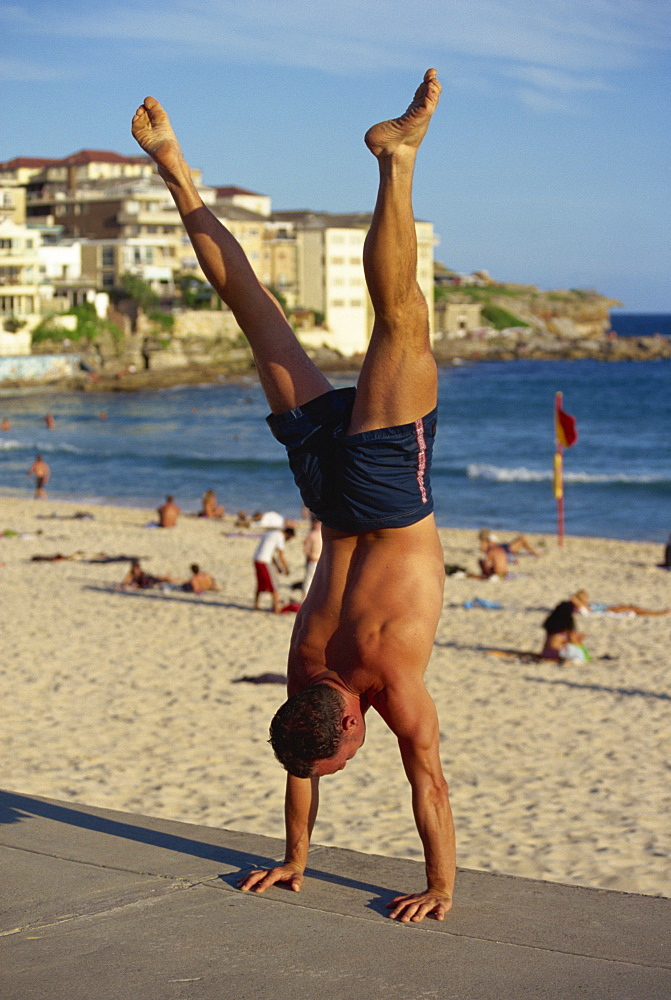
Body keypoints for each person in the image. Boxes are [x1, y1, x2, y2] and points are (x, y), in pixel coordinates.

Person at [132, 68, 455, 922]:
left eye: (343, 759)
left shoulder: (386, 679)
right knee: (249, 305)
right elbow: (299, 769)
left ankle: (396, 161)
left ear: (349, 726)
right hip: (325, 489)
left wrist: (442, 887)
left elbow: (430, 784)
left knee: (398, 320)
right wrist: (294, 858)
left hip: (385, 500)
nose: (344, 763)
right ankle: (173, 167)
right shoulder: (302, 674)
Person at [253, 525, 295, 613]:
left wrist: (279, 567)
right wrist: (286, 569)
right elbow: (281, 556)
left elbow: (271, 554)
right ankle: (276, 608)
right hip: (264, 561)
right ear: (288, 535)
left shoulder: (270, 533)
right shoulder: (280, 537)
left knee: (260, 583)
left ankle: (256, 605)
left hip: (256, 559)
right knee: (274, 585)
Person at [302, 516, 322, 598]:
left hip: (313, 560)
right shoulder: (324, 534)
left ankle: (304, 600)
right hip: (322, 561)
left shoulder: (312, 534)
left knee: (308, 581)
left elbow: (307, 551)